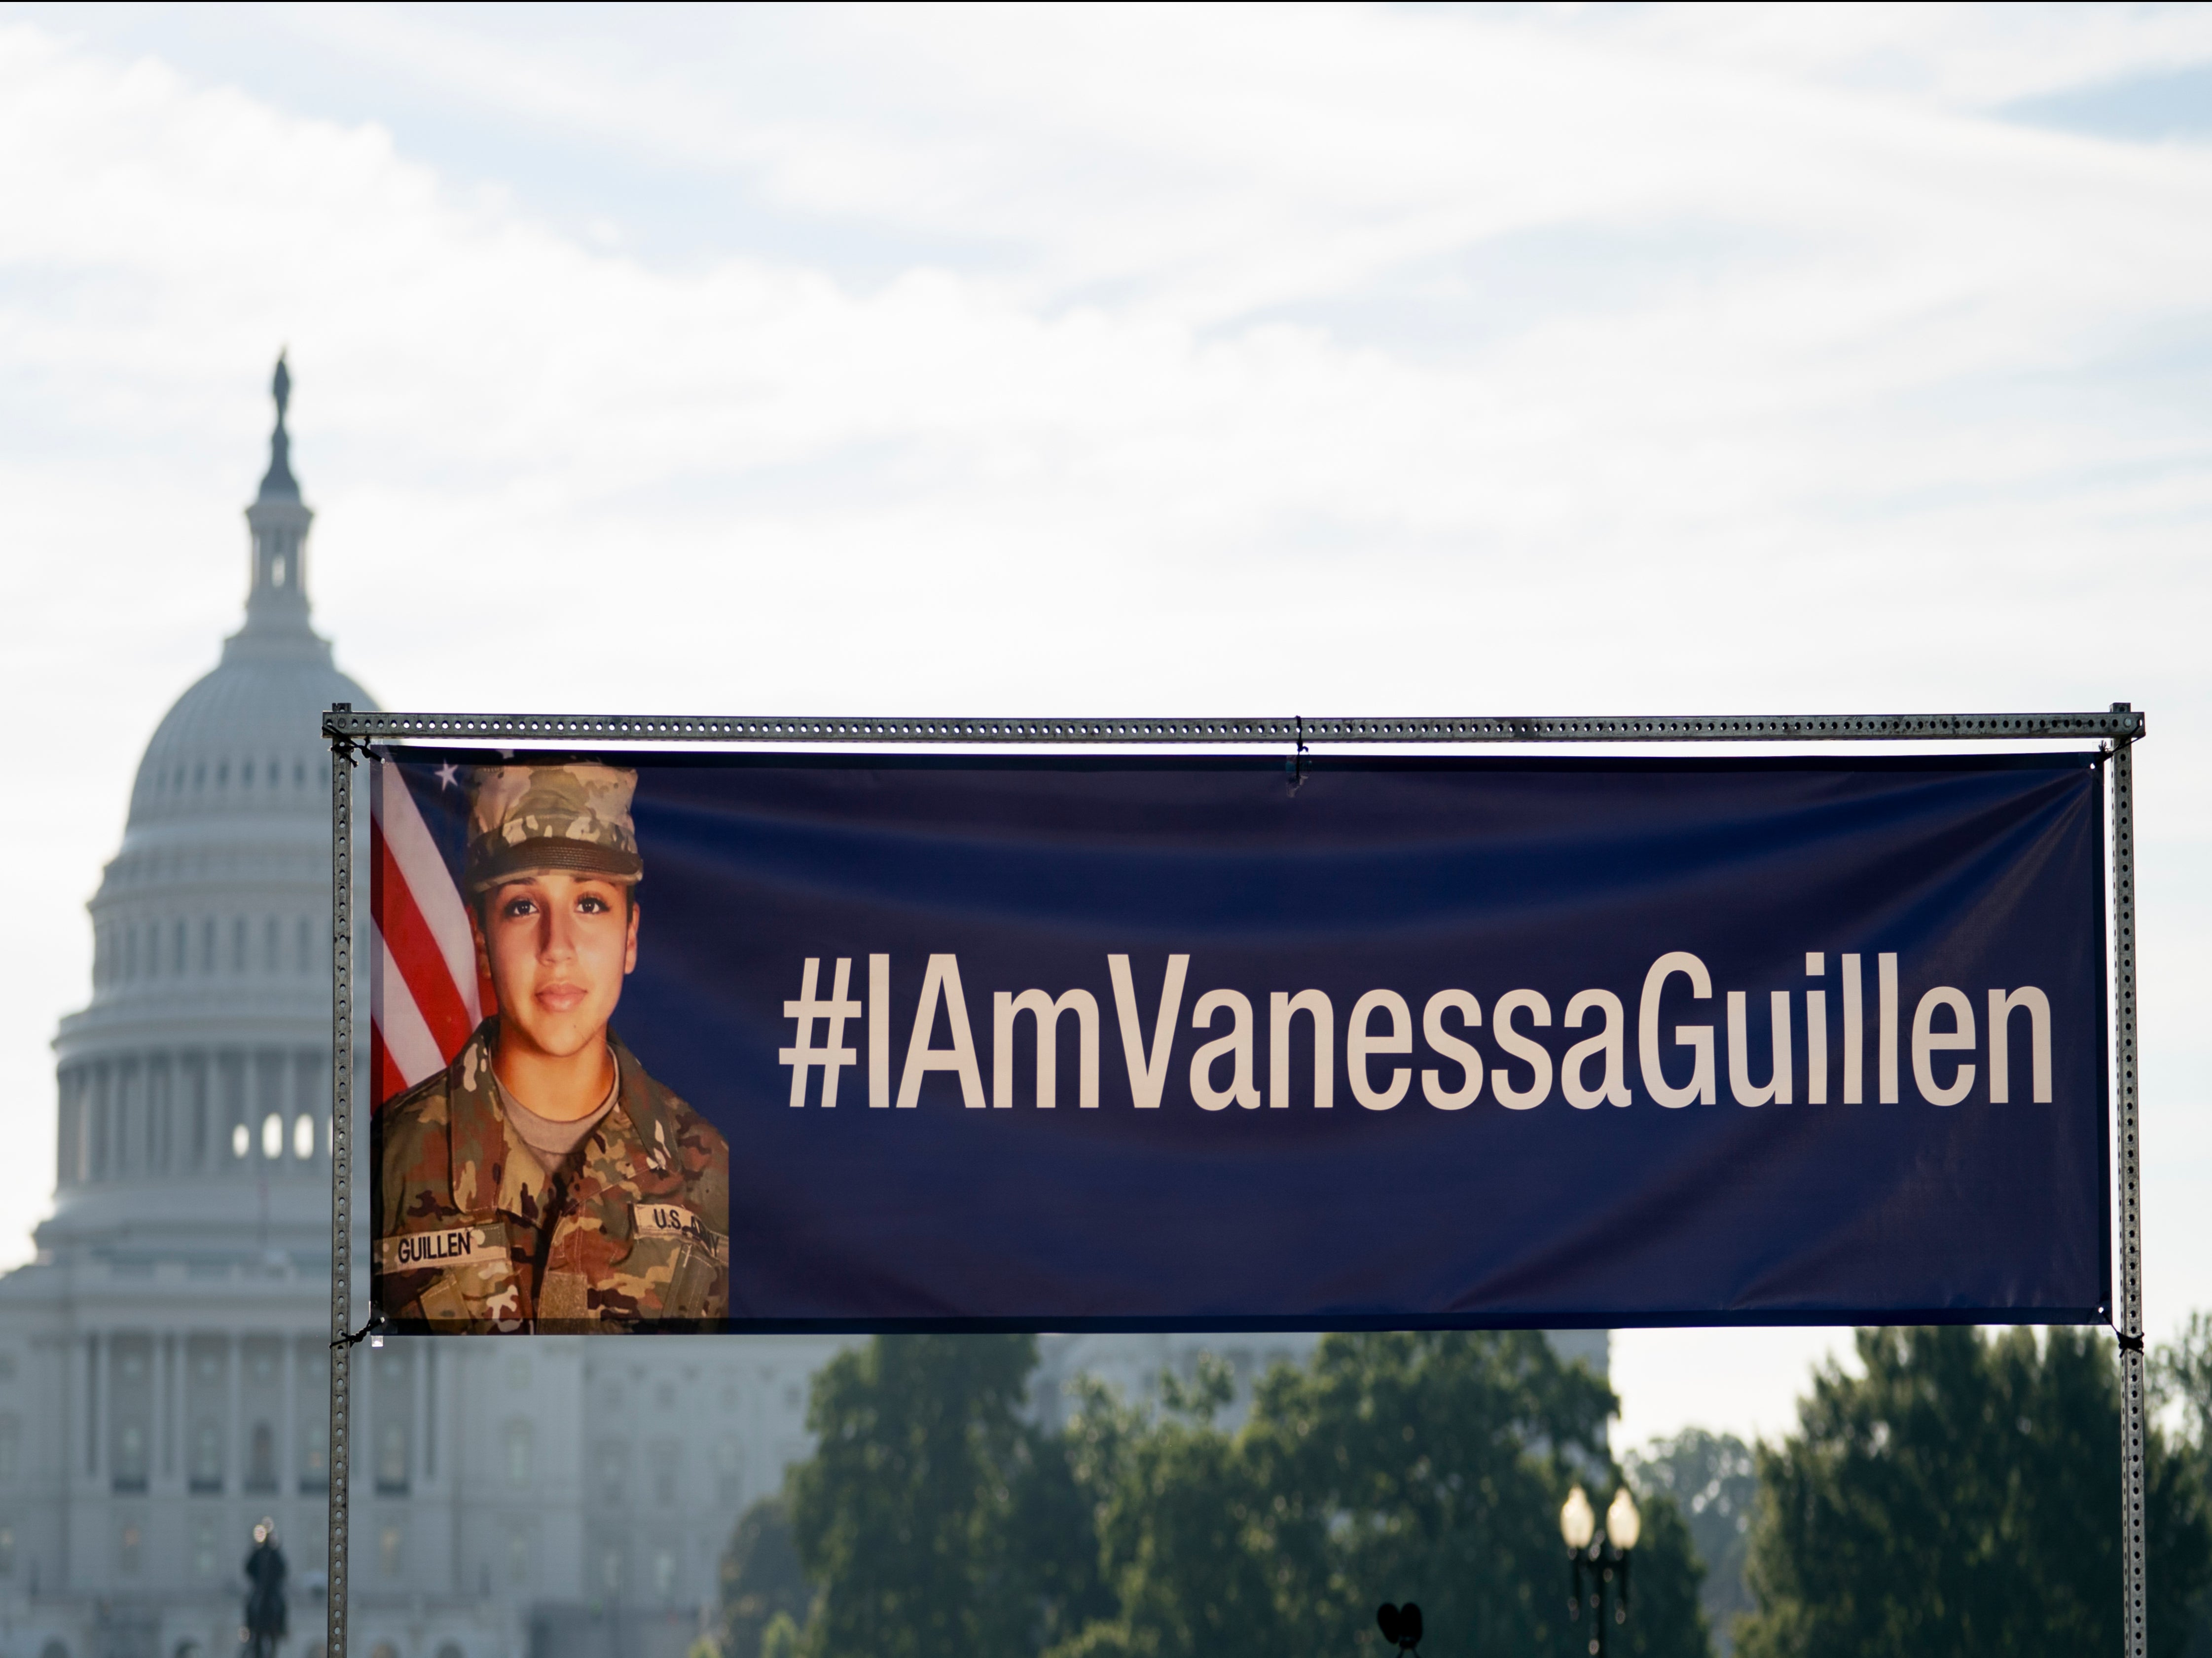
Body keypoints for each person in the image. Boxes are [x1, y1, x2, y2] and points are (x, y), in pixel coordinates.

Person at [375, 762, 728, 1330]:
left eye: (590, 903)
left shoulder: (709, 1166)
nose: (557, 947)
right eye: (522, 905)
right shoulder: (380, 1166)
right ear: (482, 941)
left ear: (630, 938)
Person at [243, 1519, 287, 1658]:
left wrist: (275, 1582)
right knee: (250, 1604)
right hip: (260, 1588)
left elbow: (283, 1569)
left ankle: (282, 1628)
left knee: (282, 1604)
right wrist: (256, 1581)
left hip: (272, 1589)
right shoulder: (258, 1552)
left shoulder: (275, 1554)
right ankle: (249, 1629)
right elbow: (248, 1568)